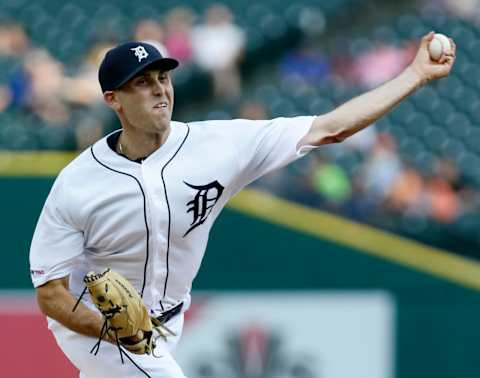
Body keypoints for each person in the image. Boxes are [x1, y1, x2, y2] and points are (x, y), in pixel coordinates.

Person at [30, 33, 455, 378]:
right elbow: (50, 294)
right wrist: (109, 330)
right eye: (142, 83)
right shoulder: (78, 183)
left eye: (163, 77)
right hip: (92, 327)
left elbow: (330, 128)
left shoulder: (218, 146)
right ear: (113, 99)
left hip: (169, 320)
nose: (159, 89)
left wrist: (415, 75)